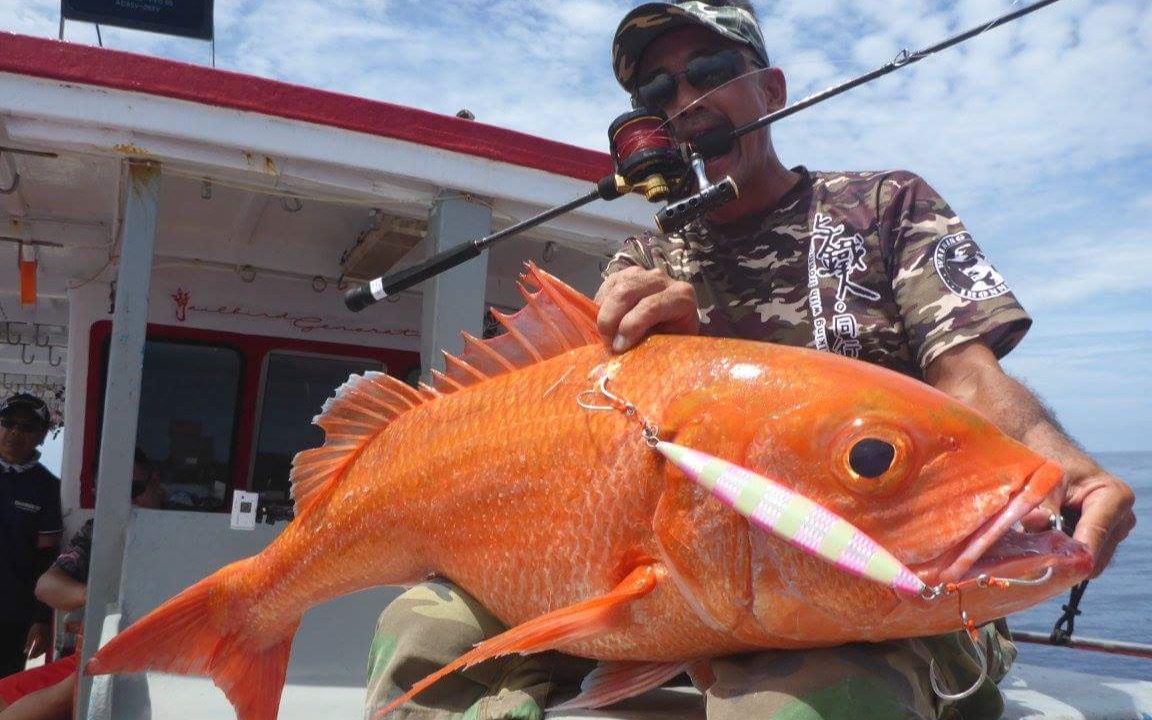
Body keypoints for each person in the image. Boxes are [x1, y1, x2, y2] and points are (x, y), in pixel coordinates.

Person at [364, 3, 1138, 719]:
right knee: (422, 629)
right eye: (657, 90)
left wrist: (1055, 462)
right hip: (692, 589)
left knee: (798, 706)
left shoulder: (884, 206)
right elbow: (603, 434)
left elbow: (966, 372)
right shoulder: (645, 260)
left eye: (708, 70)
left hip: (884, 581)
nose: (684, 98)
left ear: (771, 89)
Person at [0, 449, 165, 719]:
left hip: (159, 656)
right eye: (111, 497)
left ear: (155, 483)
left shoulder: (195, 528)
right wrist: (95, 596)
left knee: (74, 691)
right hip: (99, 653)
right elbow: (46, 585)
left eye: (135, 490)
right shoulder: (97, 532)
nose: (126, 503)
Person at [0, 395, 62, 681]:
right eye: (8, 423)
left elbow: (46, 559)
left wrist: (42, 619)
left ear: (42, 435)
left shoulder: (49, 488)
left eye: (26, 427)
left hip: (12, 618)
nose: (15, 432)